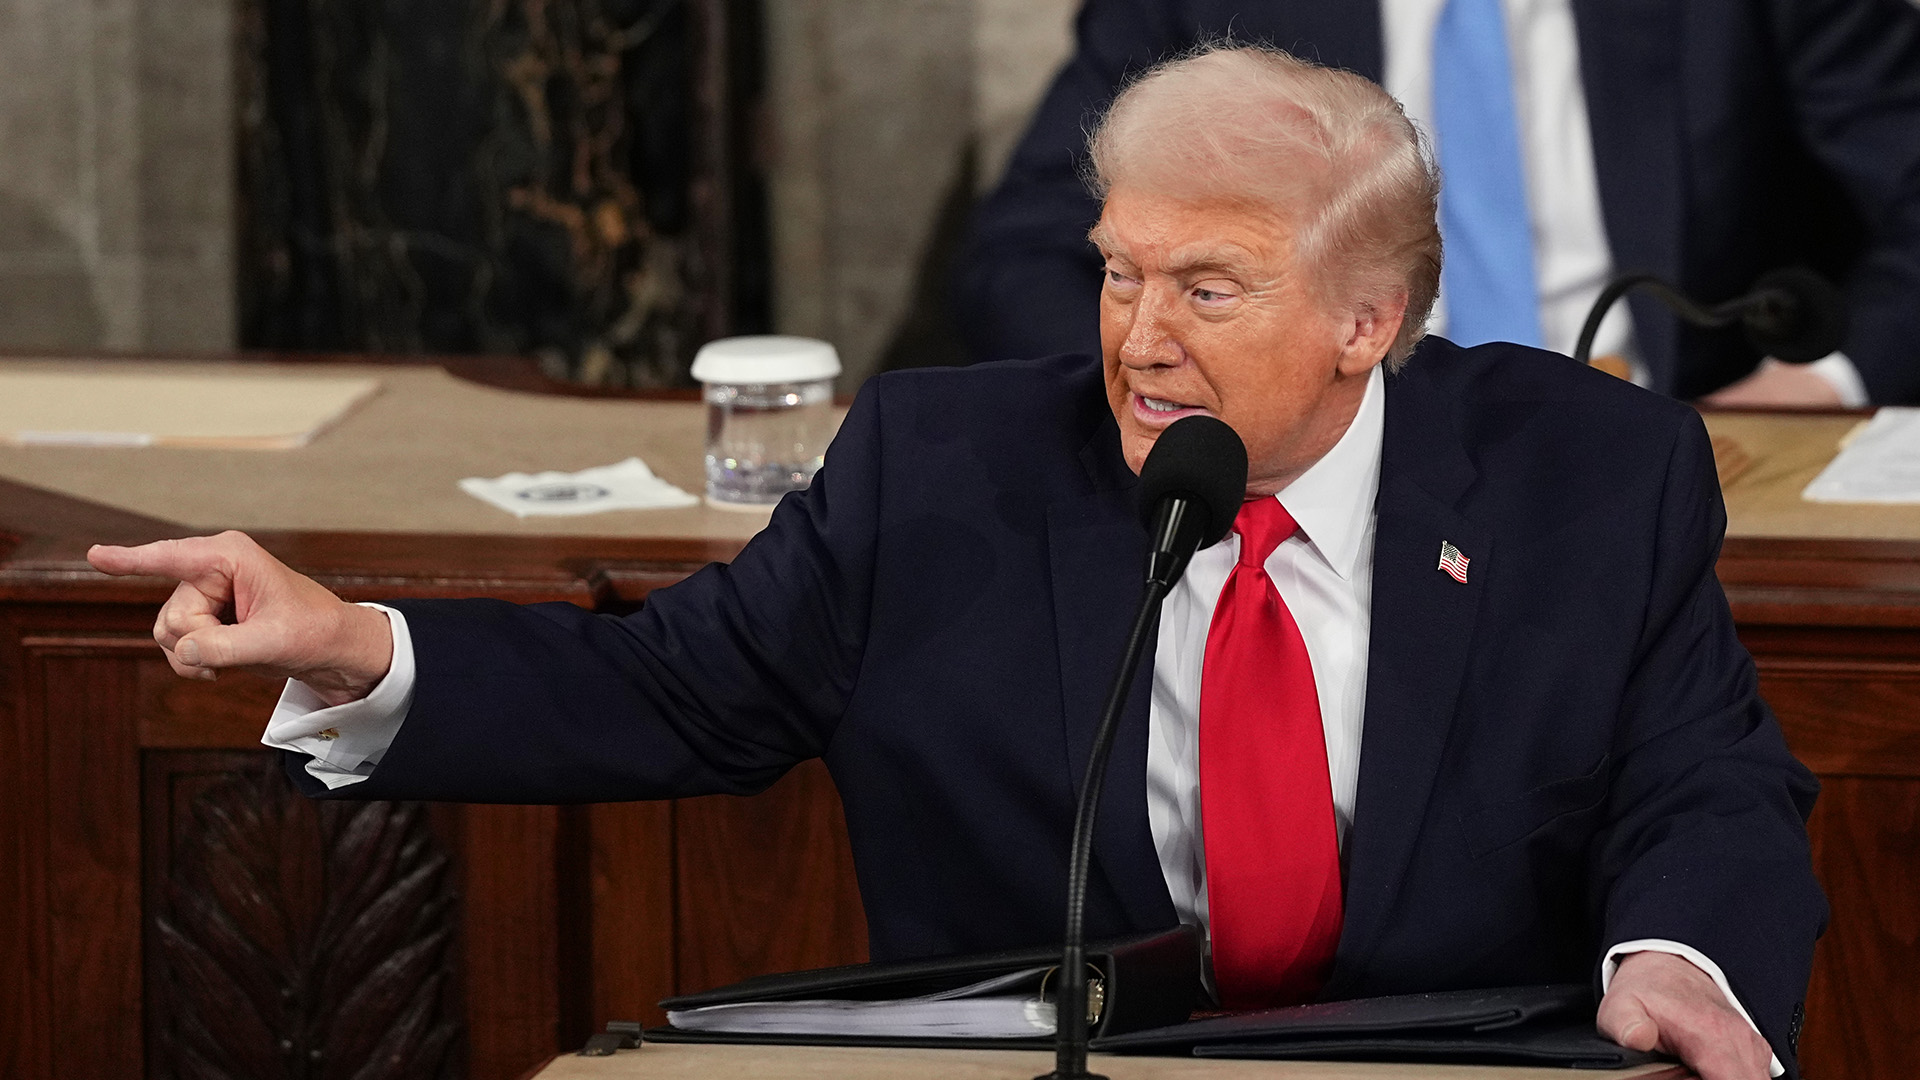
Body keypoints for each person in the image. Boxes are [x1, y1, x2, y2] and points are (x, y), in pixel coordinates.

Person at [90, 46, 1821, 1080]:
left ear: (1373, 320)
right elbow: (671, 689)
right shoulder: (949, 469)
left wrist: (1674, 958)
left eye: (1207, 289)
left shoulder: (1595, 480)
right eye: (1117, 271)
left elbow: (1707, 785)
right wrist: (354, 648)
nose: (1139, 338)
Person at [956, 0, 1920, 407]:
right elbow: (1035, 245)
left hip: (1679, 443)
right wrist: (1171, 397)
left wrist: (1825, 382)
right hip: (1311, 451)